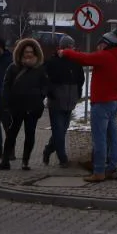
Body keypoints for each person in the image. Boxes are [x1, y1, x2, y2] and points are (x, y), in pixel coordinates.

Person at [62, 31, 117, 183]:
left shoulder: (105, 56)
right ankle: (112, 169)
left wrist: (66, 52)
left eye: (100, 44)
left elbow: (84, 58)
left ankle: (99, 171)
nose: (99, 47)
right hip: (114, 104)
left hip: (101, 104)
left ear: (106, 44)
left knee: (99, 139)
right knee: (113, 139)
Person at [0, 38, 48, 172]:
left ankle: (25, 161)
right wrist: (6, 103)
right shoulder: (13, 68)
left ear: (35, 53)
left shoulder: (40, 69)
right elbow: (6, 86)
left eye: (31, 51)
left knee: (30, 134)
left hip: (32, 107)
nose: (28, 54)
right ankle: (5, 160)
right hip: (16, 107)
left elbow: (46, 85)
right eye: (26, 51)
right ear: (21, 52)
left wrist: (40, 95)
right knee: (11, 134)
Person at [43, 36, 85, 167]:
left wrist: (77, 93)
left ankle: (49, 149)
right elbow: (45, 80)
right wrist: (51, 93)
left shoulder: (76, 63)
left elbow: (80, 80)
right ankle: (63, 158)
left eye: (71, 47)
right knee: (58, 131)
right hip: (56, 102)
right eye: (68, 46)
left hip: (70, 101)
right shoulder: (52, 62)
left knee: (62, 130)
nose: (70, 49)